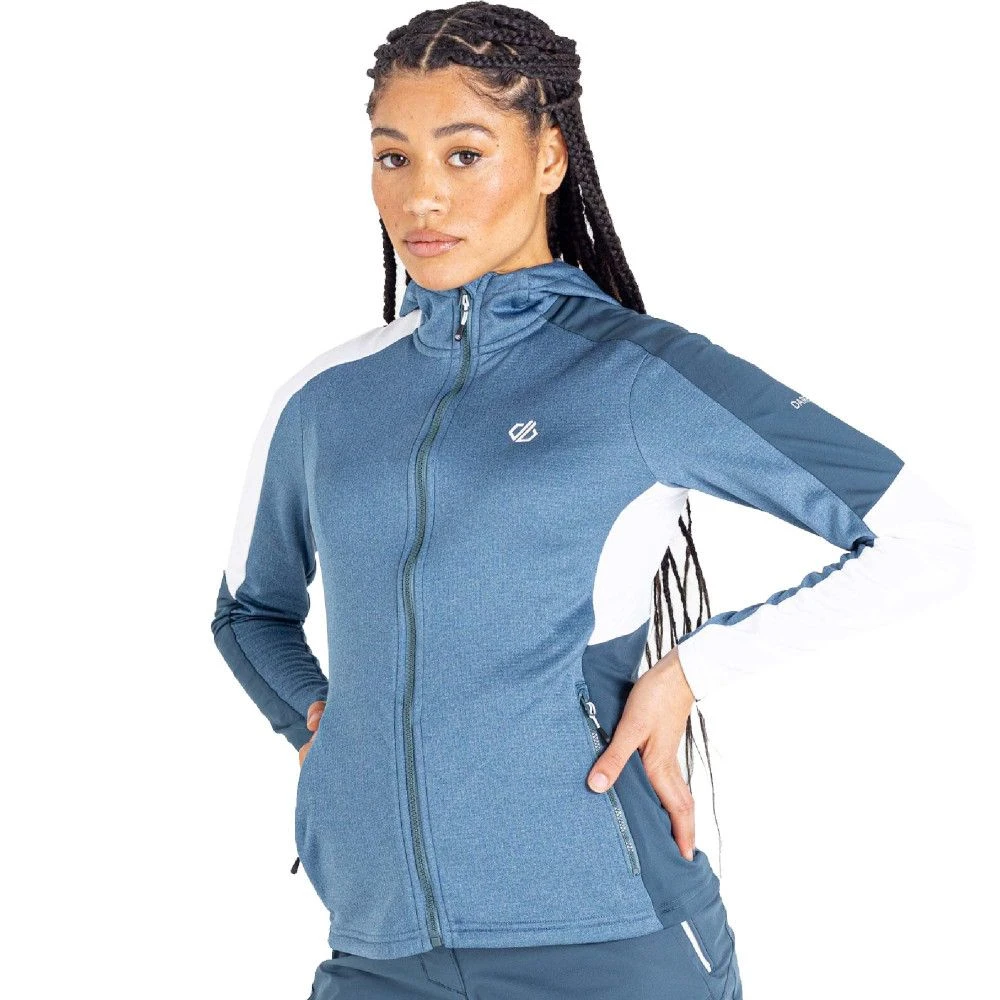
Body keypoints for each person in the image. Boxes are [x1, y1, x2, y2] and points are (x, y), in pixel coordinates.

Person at [209, 4, 975, 997]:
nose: (421, 196)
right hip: (379, 951)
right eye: (393, 158)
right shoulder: (326, 397)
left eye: (465, 154)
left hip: (610, 944)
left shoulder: (636, 375)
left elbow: (925, 539)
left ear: (548, 159)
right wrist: (322, 727)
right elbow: (250, 612)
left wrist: (689, 671)